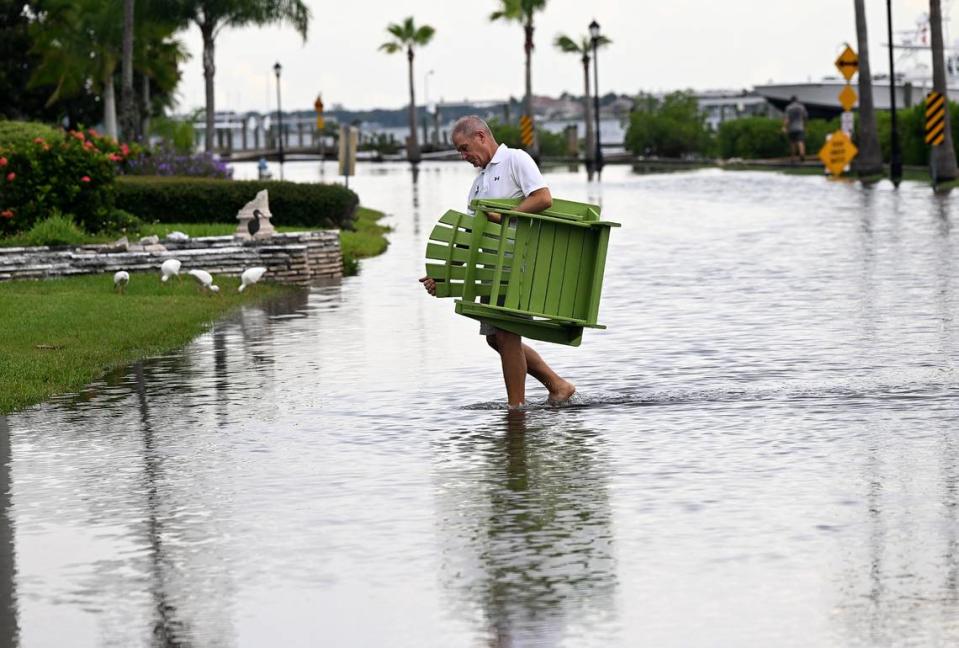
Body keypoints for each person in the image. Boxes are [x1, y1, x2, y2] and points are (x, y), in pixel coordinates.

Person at [419, 116, 576, 409]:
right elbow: (471, 237)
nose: (463, 156)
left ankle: (515, 411)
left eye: (464, 148)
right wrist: (443, 277)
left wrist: (506, 216)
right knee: (496, 339)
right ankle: (558, 385)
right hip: (493, 271)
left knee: (505, 333)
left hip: (518, 266)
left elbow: (543, 198)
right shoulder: (478, 184)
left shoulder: (515, 160)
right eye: (459, 151)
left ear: (481, 136)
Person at [783, 96, 809, 162]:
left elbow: (787, 119)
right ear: (797, 100)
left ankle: (793, 158)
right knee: (800, 142)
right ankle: (802, 154)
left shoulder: (788, 108)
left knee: (792, 143)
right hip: (800, 127)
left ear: (791, 101)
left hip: (791, 128)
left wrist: (784, 127)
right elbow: (805, 117)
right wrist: (805, 126)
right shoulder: (801, 107)